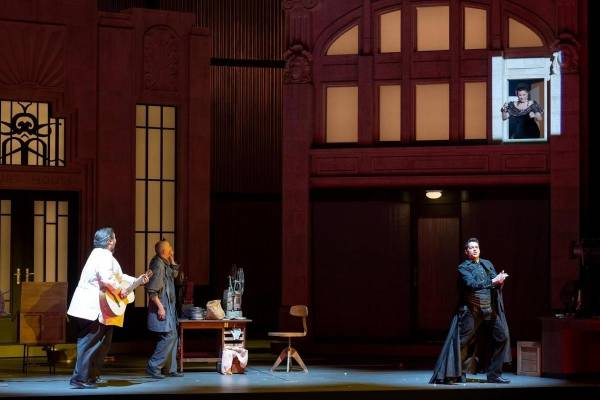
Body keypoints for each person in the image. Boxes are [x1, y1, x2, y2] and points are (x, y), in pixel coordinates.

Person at [67, 227, 149, 389]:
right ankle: (79, 378)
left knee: (103, 342)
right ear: (110, 241)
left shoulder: (100, 255)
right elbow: (107, 279)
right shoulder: (103, 255)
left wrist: (137, 281)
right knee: (89, 343)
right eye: (115, 238)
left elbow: (118, 276)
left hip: (97, 308)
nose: (116, 240)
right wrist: (121, 290)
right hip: (91, 307)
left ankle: (91, 375)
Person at [430, 238, 511, 384]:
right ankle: (452, 374)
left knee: (502, 337)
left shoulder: (487, 264)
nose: (474, 249)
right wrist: (493, 281)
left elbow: (494, 283)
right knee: (462, 342)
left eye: (476, 247)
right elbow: (472, 284)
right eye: (471, 247)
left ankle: (494, 375)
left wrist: (500, 281)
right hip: (472, 310)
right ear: (466, 252)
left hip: (488, 308)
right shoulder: (463, 267)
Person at [145, 239, 184, 379]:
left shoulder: (165, 262)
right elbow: (152, 291)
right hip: (162, 305)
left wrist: (172, 259)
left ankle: (171, 368)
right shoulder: (157, 264)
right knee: (169, 335)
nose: (172, 249)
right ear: (164, 251)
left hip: (170, 306)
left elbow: (174, 274)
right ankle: (153, 366)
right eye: (169, 248)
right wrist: (160, 308)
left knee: (174, 336)